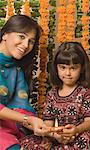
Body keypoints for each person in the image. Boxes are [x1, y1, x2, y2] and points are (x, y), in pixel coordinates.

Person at [20, 41, 90, 149]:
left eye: (73, 68)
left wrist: (76, 130)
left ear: (82, 69)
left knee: (87, 138)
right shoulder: (52, 94)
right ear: (56, 68)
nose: (67, 73)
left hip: (79, 135)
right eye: (63, 68)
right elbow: (48, 123)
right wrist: (51, 135)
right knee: (28, 141)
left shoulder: (86, 93)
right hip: (57, 137)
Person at [0, 15, 59, 150]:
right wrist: (28, 120)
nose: (26, 45)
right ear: (5, 34)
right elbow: (24, 117)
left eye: (31, 41)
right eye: (21, 36)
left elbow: (22, 108)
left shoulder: (17, 70)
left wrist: (42, 131)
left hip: (9, 128)